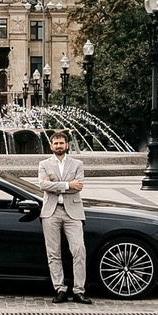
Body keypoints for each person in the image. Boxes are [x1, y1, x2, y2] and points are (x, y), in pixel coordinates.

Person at [35, 128, 88, 302]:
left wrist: (55, 184)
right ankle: (60, 288)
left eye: (61, 143)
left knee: (79, 249)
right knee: (53, 252)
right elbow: (42, 185)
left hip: (73, 212)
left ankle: (79, 290)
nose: (59, 146)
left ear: (67, 145)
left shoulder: (77, 164)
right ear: (51, 146)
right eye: (55, 143)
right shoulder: (44, 164)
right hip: (51, 211)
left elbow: (79, 186)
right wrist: (67, 185)